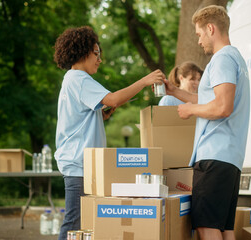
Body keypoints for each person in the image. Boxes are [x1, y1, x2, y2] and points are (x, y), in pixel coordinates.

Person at [53, 26, 165, 240]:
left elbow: (81, 117)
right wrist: (144, 81)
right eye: (97, 53)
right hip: (79, 164)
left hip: (82, 163)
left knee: (83, 223)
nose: (99, 59)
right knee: (74, 223)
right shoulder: (78, 78)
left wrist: (101, 117)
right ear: (83, 52)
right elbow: (112, 99)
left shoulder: (72, 79)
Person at [164, 5, 250, 240]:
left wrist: (191, 110)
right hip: (229, 158)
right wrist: (173, 91)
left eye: (200, 33)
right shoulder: (236, 58)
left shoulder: (222, 59)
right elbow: (208, 99)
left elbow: (222, 106)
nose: (199, 40)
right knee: (224, 228)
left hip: (214, 157)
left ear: (210, 28)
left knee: (206, 227)